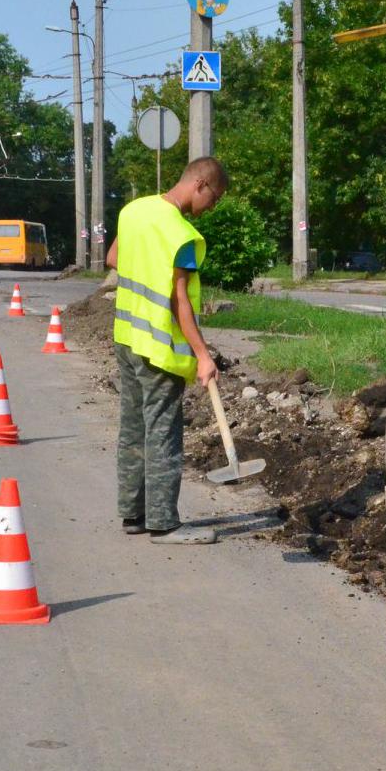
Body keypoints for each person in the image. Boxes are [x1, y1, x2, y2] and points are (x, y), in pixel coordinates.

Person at [108, 156, 227, 545]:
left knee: (133, 428)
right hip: (159, 347)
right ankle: (163, 523)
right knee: (162, 431)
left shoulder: (134, 211)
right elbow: (180, 301)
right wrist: (203, 355)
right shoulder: (182, 235)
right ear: (201, 185)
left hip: (127, 338)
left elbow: (113, 259)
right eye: (215, 199)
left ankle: (134, 513)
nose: (212, 208)